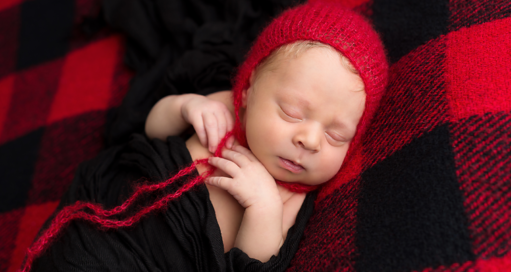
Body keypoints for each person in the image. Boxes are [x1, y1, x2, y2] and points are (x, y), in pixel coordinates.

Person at [24, 2, 387, 271]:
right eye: (292, 112)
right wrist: (181, 107)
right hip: (97, 222)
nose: (310, 139)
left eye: (337, 135)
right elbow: (149, 131)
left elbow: (251, 267)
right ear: (248, 91)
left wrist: (263, 209)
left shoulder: (289, 199)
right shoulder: (222, 106)